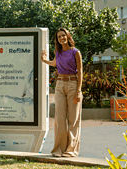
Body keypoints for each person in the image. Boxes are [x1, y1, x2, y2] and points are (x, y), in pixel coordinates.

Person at [41, 28, 83, 157]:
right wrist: (44, 60)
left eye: (63, 35)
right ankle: (58, 149)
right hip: (59, 85)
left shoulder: (76, 52)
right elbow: (54, 63)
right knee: (59, 119)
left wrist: (78, 90)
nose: (61, 38)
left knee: (73, 119)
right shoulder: (57, 52)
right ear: (57, 39)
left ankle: (71, 150)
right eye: (59, 37)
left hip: (72, 84)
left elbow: (80, 72)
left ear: (68, 36)